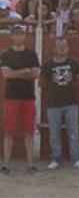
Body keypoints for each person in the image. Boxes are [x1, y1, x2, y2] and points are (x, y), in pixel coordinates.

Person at [1, 26, 40, 174]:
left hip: (27, 96)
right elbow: (6, 75)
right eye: (16, 34)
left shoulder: (31, 54)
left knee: (29, 131)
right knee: (9, 131)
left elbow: (35, 74)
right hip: (12, 96)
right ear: (11, 36)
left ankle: (30, 164)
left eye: (21, 34)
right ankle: (6, 164)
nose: (19, 36)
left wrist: (16, 73)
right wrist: (24, 71)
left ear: (24, 36)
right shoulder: (6, 54)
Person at [41, 37, 79, 170]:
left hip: (71, 102)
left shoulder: (73, 62)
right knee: (54, 133)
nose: (62, 48)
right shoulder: (48, 64)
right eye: (59, 46)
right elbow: (41, 81)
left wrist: (68, 88)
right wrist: (54, 89)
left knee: (73, 132)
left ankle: (76, 159)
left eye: (64, 46)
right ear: (54, 48)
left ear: (68, 47)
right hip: (53, 103)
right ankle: (56, 159)